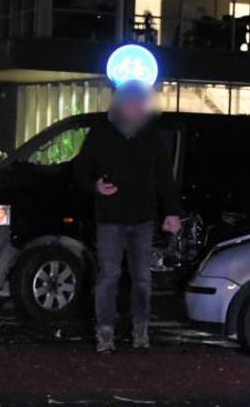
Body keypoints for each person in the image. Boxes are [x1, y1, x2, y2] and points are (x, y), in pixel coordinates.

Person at [74, 80, 182, 353]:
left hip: (143, 218)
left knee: (142, 278)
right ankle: (105, 333)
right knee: (109, 275)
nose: (137, 108)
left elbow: (164, 177)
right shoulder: (101, 133)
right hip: (110, 218)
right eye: (132, 103)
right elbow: (81, 170)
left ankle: (140, 330)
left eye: (141, 103)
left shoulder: (151, 136)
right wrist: (95, 186)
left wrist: (172, 212)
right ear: (120, 104)